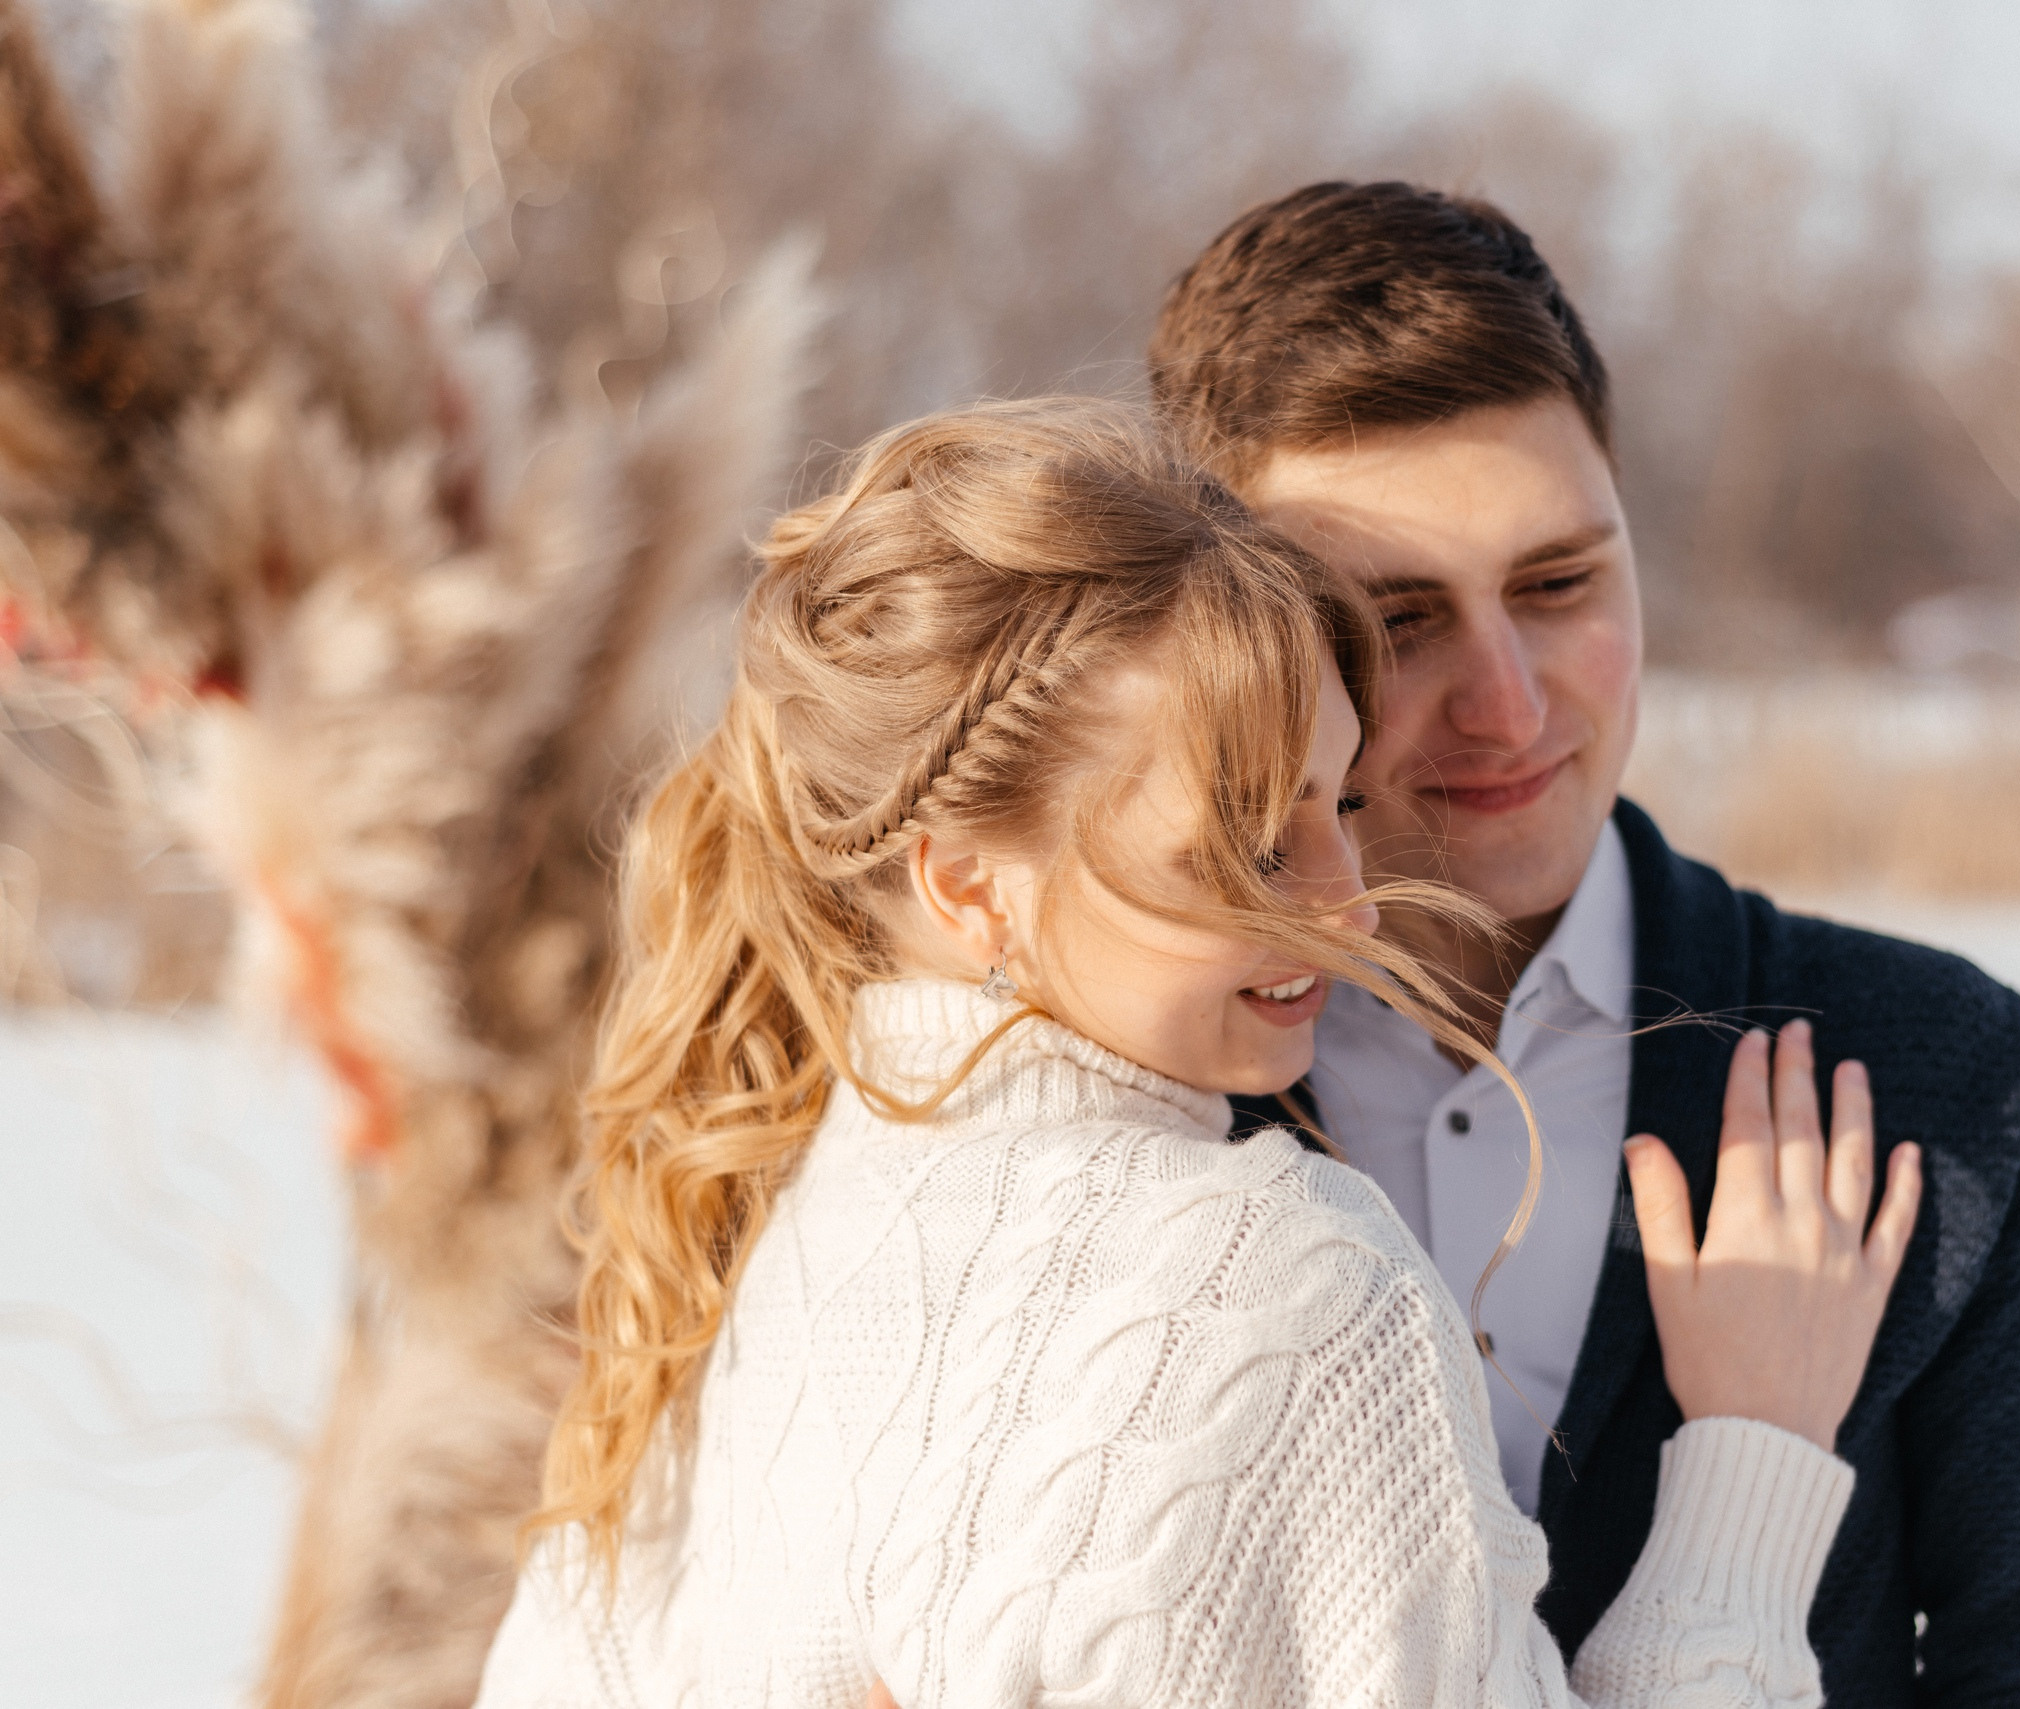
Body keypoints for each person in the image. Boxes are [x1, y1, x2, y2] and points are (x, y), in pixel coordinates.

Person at [471, 400, 1922, 1708]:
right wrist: (1751, 1454)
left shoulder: (731, 1252)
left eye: (1340, 801)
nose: (1348, 902)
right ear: (967, 883)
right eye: (1245, 839)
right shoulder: (1284, 1281)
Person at [1149, 183, 2020, 1707]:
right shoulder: (1109, 1088)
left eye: (1560, 582)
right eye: (1397, 619)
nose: (1511, 705)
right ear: (1236, 635)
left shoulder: (1932, 1070)